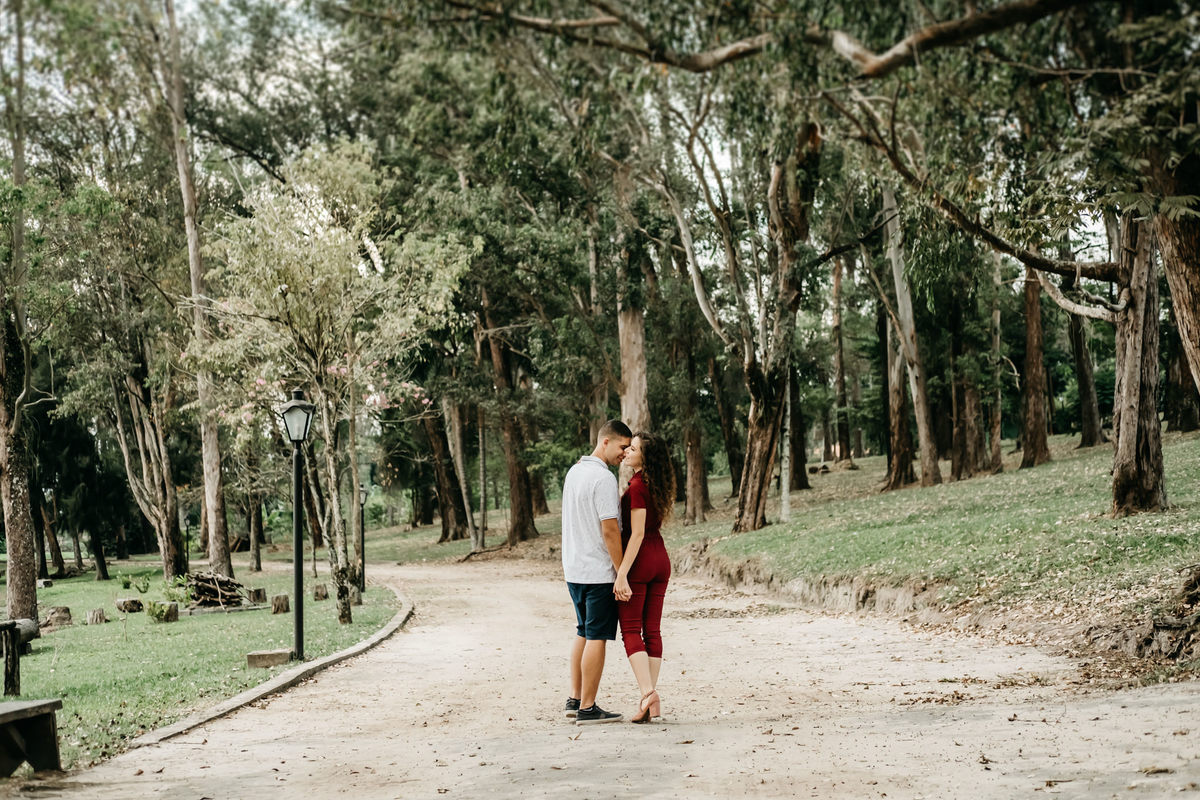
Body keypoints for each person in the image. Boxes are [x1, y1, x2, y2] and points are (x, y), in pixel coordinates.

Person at [561, 419, 632, 725]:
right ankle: (588, 708)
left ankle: (575, 698)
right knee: (597, 636)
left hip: (574, 569)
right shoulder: (603, 478)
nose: (625, 453)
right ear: (606, 442)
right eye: (622, 447)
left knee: (583, 631)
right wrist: (621, 572)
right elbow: (610, 530)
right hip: (597, 572)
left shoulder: (574, 472)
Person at [614, 431, 676, 723]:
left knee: (630, 630)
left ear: (645, 457)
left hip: (640, 560)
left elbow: (636, 534)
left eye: (634, 449)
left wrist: (622, 573)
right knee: (652, 631)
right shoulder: (656, 484)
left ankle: (648, 693)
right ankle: (649, 701)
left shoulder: (638, 486)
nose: (627, 451)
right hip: (660, 558)